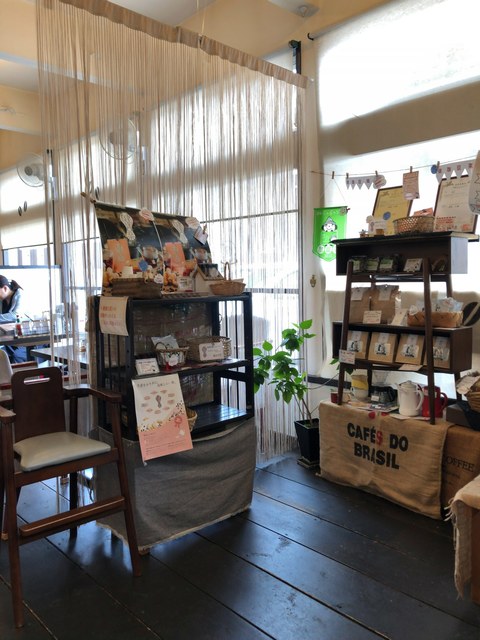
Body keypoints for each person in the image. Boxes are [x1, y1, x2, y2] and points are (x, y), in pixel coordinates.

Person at [0, 275, 26, 362]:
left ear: (5, 288)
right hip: (10, 337)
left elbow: (16, 315)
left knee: (16, 357)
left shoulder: (20, 295)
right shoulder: (3, 300)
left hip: (25, 337)